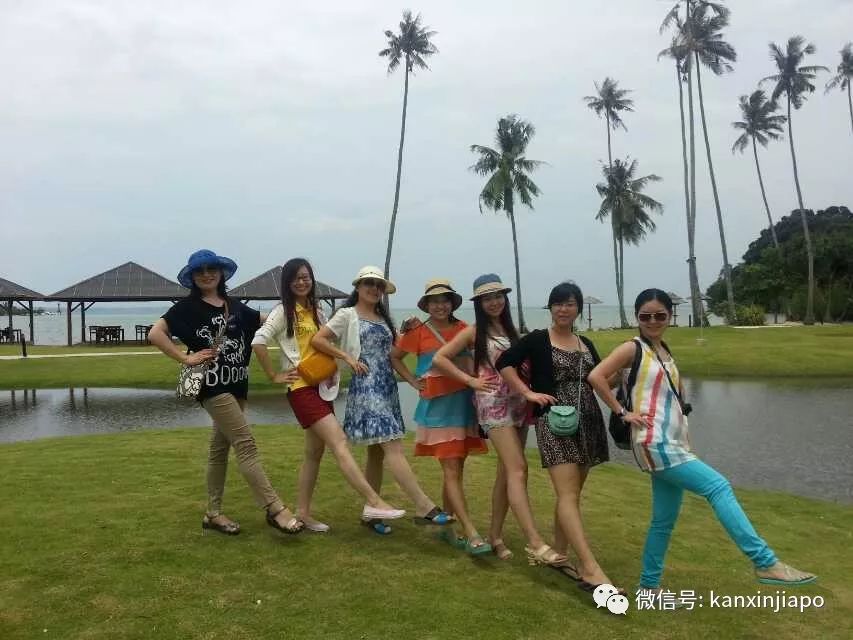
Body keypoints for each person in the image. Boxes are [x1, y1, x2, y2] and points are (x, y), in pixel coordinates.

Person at [588, 288, 817, 592]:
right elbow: (596, 377)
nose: (653, 321)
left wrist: (683, 436)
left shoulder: (662, 349)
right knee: (718, 487)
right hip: (654, 442)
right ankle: (765, 562)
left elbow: (665, 396)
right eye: (646, 316)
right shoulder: (632, 347)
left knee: (663, 521)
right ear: (637, 318)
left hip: (672, 441)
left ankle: (649, 588)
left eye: (660, 315)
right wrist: (622, 412)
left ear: (670, 316)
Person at [148, 249, 303, 536]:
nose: (206, 274)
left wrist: (300, 314)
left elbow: (271, 322)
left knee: (219, 450)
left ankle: (213, 514)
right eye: (200, 271)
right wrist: (185, 358)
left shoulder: (236, 306)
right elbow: (155, 333)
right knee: (246, 443)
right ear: (192, 277)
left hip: (237, 385)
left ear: (221, 273)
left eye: (211, 269)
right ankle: (275, 509)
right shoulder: (186, 308)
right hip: (212, 386)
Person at [251, 259, 407, 533]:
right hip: (301, 388)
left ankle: (303, 513)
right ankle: (374, 502)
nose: (302, 282)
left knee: (314, 453)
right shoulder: (283, 311)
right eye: (296, 278)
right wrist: (274, 375)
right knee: (339, 442)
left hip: (322, 387)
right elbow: (259, 340)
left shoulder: (318, 311)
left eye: (306, 277)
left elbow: (330, 341)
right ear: (287, 283)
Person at [430, 274, 564, 566]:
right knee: (519, 468)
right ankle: (535, 542)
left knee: (507, 472)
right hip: (493, 405)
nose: (494, 302)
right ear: (479, 303)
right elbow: (440, 358)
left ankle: (495, 536)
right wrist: (470, 381)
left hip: (519, 403)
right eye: (487, 298)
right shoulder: (474, 332)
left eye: (498, 296)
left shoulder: (513, 331)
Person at [496, 282, 620, 591]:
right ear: (550, 307)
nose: (564, 309)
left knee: (572, 494)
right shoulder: (538, 339)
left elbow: (600, 380)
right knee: (567, 495)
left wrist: (622, 373)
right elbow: (504, 363)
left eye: (570, 304)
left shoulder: (585, 343)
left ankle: (561, 554)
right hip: (555, 422)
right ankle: (590, 568)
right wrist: (527, 393)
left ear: (578, 308)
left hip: (588, 421)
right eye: (558, 304)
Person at [310, 266, 447, 534]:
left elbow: (394, 354)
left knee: (377, 452)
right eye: (369, 284)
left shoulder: (384, 318)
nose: (374, 289)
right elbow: (319, 340)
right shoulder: (347, 314)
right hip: (366, 387)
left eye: (378, 285)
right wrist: (348, 358)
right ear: (358, 287)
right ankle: (424, 506)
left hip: (386, 388)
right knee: (393, 446)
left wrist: (411, 375)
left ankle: (370, 514)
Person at [392, 277, 490, 555]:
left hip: (464, 405)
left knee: (457, 469)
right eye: (434, 301)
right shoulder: (417, 331)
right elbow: (395, 356)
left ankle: (448, 527)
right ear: (427, 305)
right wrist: (412, 380)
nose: (440, 306)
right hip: (437, 409)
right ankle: (470, 532)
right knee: (451, 470)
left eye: (444, 300)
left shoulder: (464, 329)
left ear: (452, 303)